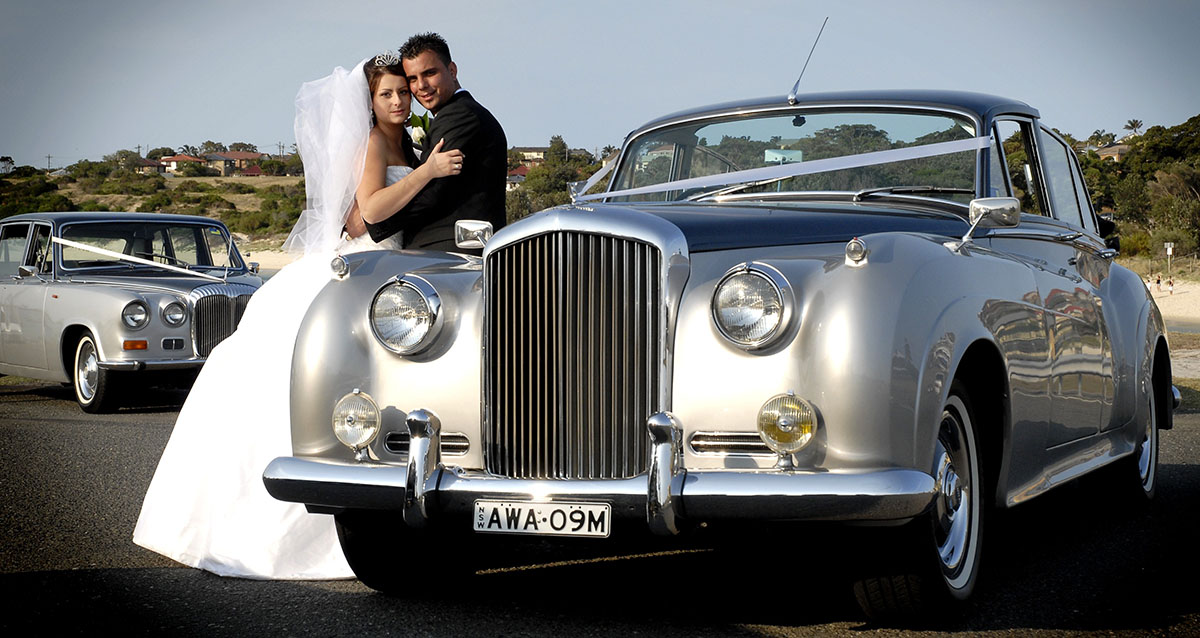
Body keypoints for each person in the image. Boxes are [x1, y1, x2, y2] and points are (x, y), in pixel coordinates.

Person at [132, 53, 462, 580]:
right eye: (387, 94)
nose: (400, 101)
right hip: (366, 257)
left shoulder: (409, 141)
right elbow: (368, 213)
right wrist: (426, 173)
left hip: (398, 261)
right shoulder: (376, 143)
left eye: (404, 91)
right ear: (369, 101)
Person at [363, 32, 507, 251]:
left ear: (452, 70)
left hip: (452, 251)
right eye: (412, 79)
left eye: (429, 73)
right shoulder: (382, 140)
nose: (421, 85)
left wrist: (374, 222)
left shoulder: (460, 116)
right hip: (427, 253)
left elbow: (431, 192)